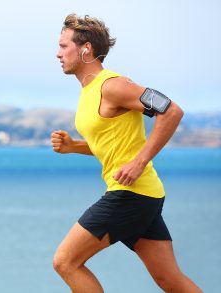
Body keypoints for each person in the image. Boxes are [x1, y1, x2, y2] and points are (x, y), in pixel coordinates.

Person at [51, 14, 202, 293]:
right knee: (169, 280)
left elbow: (171, 111)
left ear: (86, 49)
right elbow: (113, 146)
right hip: (145, 195)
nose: (57, 53)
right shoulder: (89, 91)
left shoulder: (113, 85)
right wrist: (75, 147)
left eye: (63, 46)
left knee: (65, 262)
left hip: (129, 194)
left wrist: (139, 161)